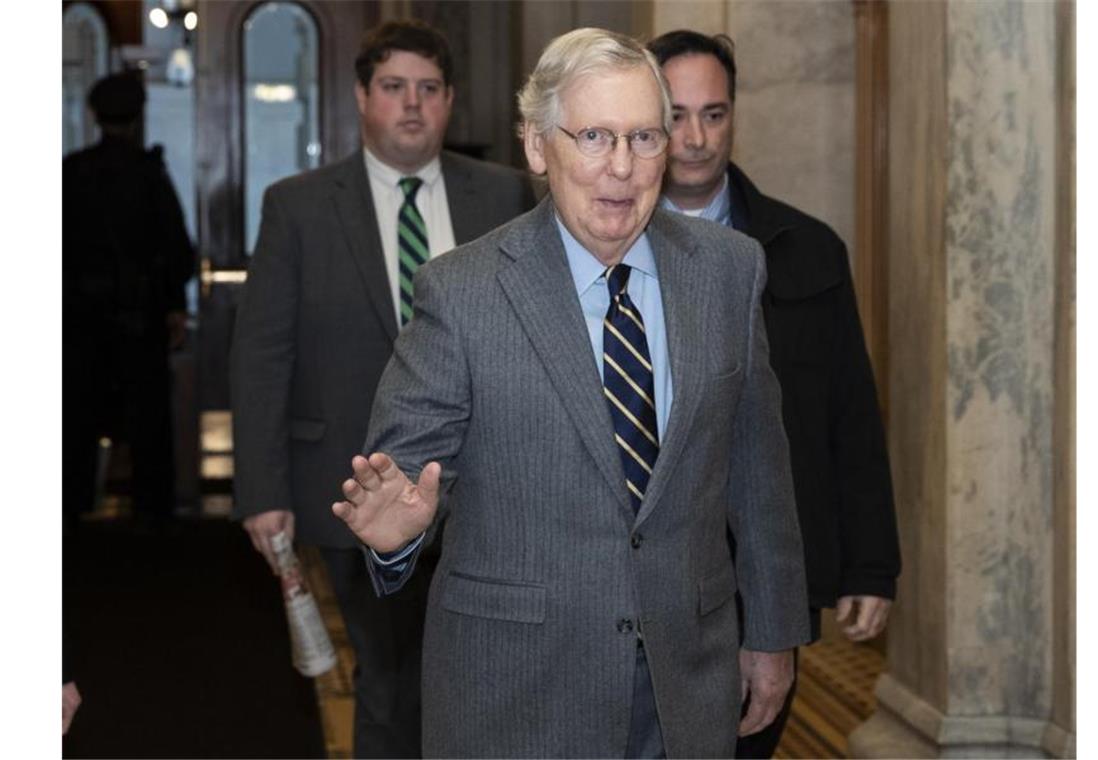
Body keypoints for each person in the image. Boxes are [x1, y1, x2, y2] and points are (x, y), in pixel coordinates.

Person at [331, 28, 810, 758]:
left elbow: (758, 470)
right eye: (594, 136)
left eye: (645, 137)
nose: (621, 167)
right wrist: (398, 537)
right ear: (536, 147)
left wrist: (774, 637)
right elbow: (403, 481)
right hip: (518, 692)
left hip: (687, 684)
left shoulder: (729, 272)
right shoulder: (463, 292)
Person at [229, 19, 536, 759]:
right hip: (349, 482)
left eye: (428, 90)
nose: (411, 105)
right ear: (362, 97)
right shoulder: (298, 204)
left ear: (450, 101)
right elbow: (263, 352)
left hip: (486, 486)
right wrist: (261, 489)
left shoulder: (506, 195)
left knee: (487, 679)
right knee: (390, 682)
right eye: (394, 88)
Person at [647, 30, 903, 758]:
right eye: (675, 114)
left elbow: (849, 415)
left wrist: (869, 564)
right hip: (645, 565)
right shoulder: (605, 241)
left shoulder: (807, 248)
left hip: (767, 565)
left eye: (715, 114)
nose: (695, 139)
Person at [62, 72, 196, 529]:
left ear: (95, 117)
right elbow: (174, 246)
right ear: (137, 116)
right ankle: (153, 513)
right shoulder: (147, 173)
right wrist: (174, 304)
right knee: (148, 423)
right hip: (140, 317)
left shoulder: (71, 172)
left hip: (79, 320)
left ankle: (71, 506)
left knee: (75, 419)